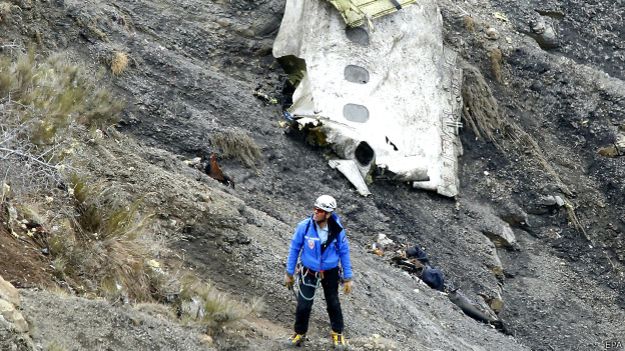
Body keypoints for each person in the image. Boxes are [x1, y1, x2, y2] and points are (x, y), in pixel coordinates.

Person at [284, 195, 353, 349]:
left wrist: (348, 277)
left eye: (319, 210)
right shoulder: (305, 226)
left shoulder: (337, 230)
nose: (315, 212)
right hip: (309, 271)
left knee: (333, 303)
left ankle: (337, 334)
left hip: (331, 271)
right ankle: (299, 333)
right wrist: (289, 273)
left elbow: (344, 252)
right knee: (304, 304)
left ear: (328, 214)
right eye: (314, 208)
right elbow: (294, 249)